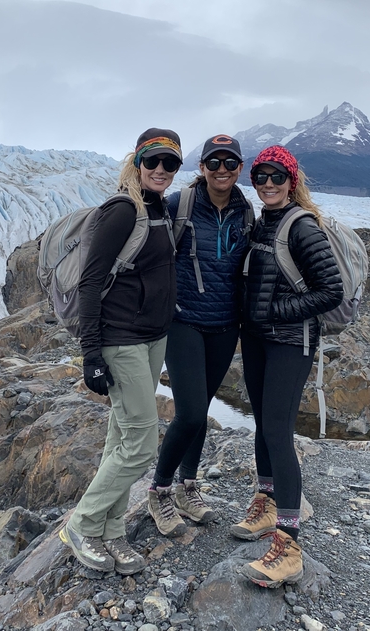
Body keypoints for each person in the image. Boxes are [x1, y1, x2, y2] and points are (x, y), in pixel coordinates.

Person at [59, 128, 182, 576]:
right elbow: (90, 284)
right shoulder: (121, 211)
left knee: (122, 437)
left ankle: (111, 532)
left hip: (153, 338)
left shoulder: (160, 209)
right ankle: (83, 524)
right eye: (154, 161)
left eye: (171, 164)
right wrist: (91, 354)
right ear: (137, 162)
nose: (162, 171)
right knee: (142, 444)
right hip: (120, 338)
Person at [231, 145, 343, 587]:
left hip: (290, 343)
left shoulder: (302, 227)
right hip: (259, 340)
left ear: (291, 180)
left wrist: (275, 312)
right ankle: (267, 501)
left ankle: (290, 547)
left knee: (278, 431)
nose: (268, 183)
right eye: (260, 176)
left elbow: (330, 290)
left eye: (277, 175)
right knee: (263, 423)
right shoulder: (265, 222)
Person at [147, 134, 252, 537]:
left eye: (230, 163)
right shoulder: (181, 205)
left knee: (202, 408)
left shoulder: (246, 213)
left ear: (239, 168)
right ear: (202, 167)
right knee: (189, 412)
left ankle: (189, 486)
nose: (222, 170)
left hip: (226, 325)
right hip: (184, 321)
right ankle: (159, 490)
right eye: (214, 162)